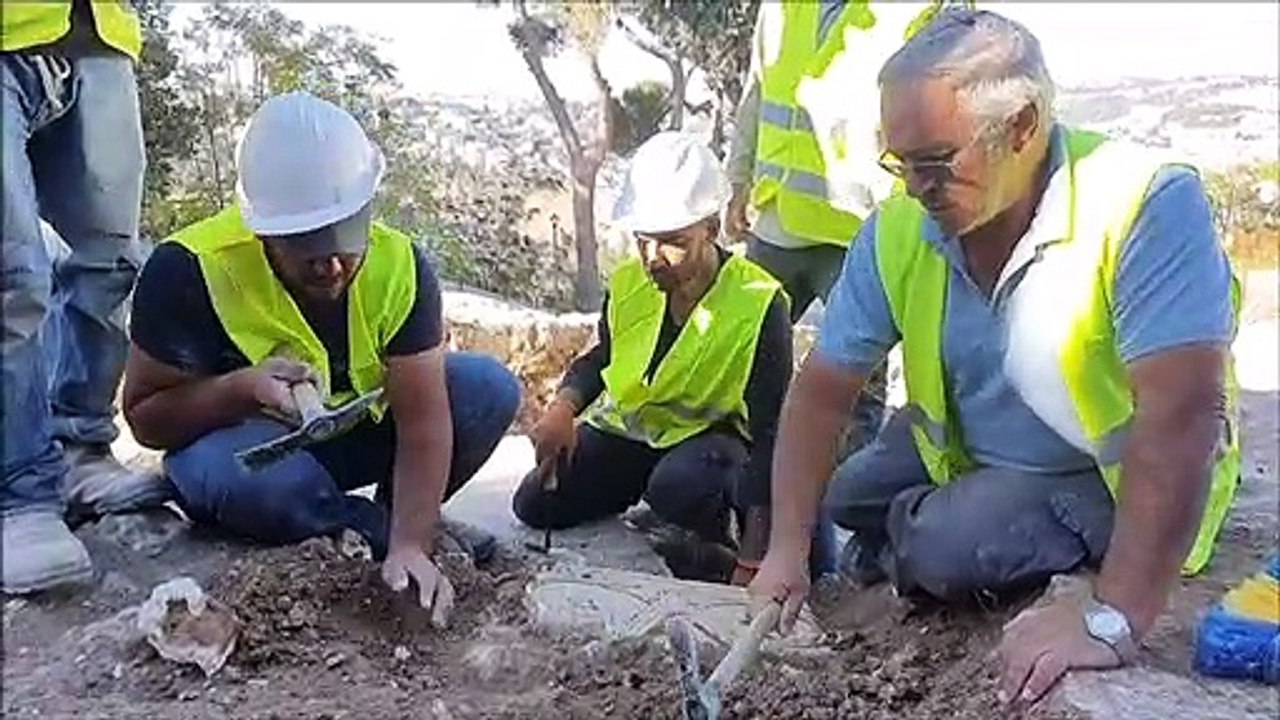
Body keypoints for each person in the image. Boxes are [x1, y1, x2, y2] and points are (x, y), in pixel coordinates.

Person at [749, 8, 1241, 710]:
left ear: (1022, 128)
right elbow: (823, 393)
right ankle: (914, 529)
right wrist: (788, 550)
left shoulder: (1145, 203)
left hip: (1097, 470)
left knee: (947, 547)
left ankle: (933, 541)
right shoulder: (900, 229)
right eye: (900, 163)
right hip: (972, 446)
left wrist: (1114, 614)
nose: (915, 187)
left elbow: (1181, 417)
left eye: (936, 164)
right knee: (846, 494)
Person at [121, 92, 521, 616]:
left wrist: (412, 545)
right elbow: (147, 422)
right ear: (261, 230)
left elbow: (424, 420)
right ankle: (363, 528)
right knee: (250, 482)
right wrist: (241, 390)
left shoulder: (400, 264)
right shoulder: (187, 269)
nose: (330, 267)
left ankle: (397, 525)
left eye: (343, 243)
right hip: (253, 453)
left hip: (346, 438)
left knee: (486, 388)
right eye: (305, 250)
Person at [513, 132, 829, 584]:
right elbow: (603, 356)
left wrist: (756, 556)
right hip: (637, 436)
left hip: (712, 448)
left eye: (672, 242)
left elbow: (770, 435)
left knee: (678, 487)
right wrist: (564, 408)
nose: (652, 258)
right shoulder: (629, 284)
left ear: (711, 229)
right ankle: (654, 509)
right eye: (643, 241)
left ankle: (717, 539)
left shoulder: (760, 302)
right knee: (534, 504)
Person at [2, 0, 170, 594]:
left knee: (109, 262)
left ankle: (81, 448)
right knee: (14, 276)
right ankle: (17, 495)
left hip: (98, 33)